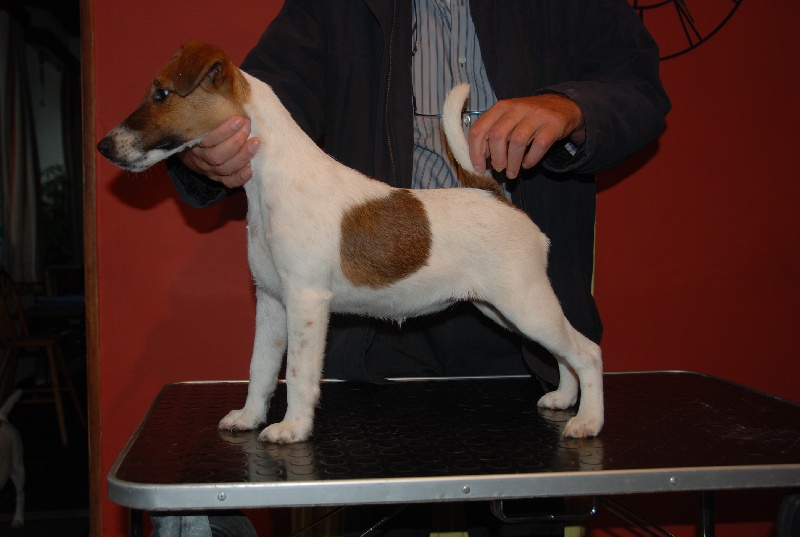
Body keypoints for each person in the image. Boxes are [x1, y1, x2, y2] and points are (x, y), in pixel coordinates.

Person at [165, 1, 671, 535]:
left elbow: (637, 85)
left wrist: (572, 106)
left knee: (536, 325)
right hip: (377, 363)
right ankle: (570, 381)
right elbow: (265, 92)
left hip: (499, 306)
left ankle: (582, 370)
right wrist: (203, 142)